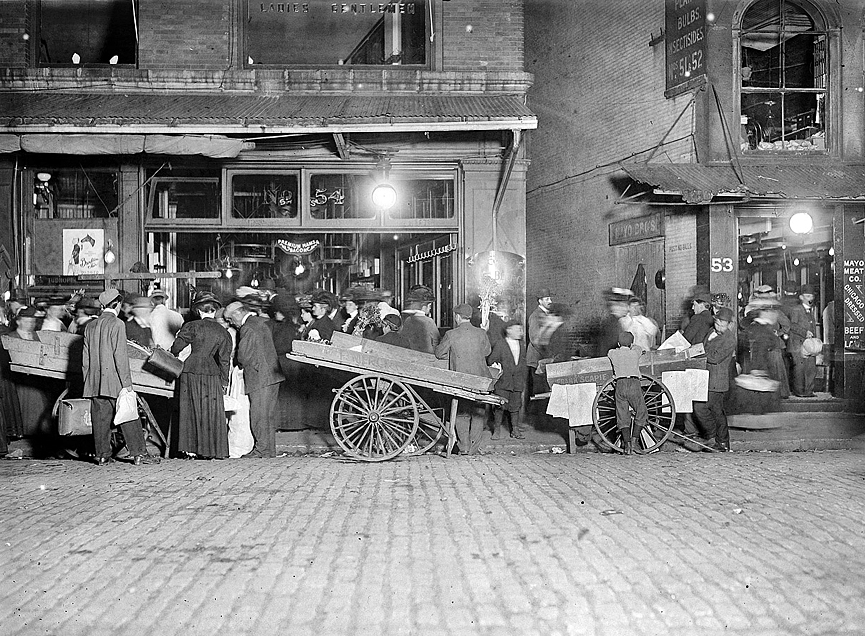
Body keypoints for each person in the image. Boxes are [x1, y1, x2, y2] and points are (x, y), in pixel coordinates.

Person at [82, 289, 154, 466]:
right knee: (128, 414)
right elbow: (120, 356)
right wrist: (127, 384)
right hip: (114, 380)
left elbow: (85, 358)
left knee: (100, 419)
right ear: (118, 304)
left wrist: (88, 381)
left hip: (94, 381)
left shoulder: (90, 326)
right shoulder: (117, 324)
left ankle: (102, 455)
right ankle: (139, 454)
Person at [170, 291, 232, 459]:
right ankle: (210, 450)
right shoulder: (223, 331)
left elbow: (175, 348)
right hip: (212, 373)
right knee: (210, 412)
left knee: (190, 410)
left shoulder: (192, 326)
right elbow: (225, 360)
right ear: (215, 310)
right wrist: (224, 382)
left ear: (198, 310)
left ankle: (191, 450)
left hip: (191, 370)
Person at [224, 300, 283, 458]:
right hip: (271, 375)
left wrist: (237, 361)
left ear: (238, 313)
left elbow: (243, 355)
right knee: (267, 415)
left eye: (230, 319)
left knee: (258, 415)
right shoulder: (260, 321)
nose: (231, 323)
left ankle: (261, 450)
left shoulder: (247, 327)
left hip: (260, 376)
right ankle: (269, 450)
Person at [435, 303, 492, 455]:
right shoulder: (481, 333)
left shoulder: (451, 334)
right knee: (478, 413)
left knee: (462, 412)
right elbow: (487, 352)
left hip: (460, 380)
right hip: (481, 381)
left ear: (457, 317)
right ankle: (473, 448)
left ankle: (464, 447)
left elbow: (439, 353)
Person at [693, 307, 736, 452]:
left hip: (717, 380)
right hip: (706, 376)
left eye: (722, 325)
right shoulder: (711, 331)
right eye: (717, 323)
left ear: (729, 324)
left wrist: (697, 353)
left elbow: (715, 358)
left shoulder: (729, 339)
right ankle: (720, 442)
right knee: (715, 411)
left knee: (705, 408)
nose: (718, 327)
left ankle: (717, 440)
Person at [607, 331, 647, 455]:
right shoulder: (635, 352)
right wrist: (632, 346)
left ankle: (627, 446)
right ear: (631, 343)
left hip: (620, 384)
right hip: (633, 384)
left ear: (618, 343)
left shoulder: (613, 353)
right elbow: (639, 348)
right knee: (641, 411)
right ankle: (635, 442)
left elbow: (611, 351)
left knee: (622, 415)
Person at [487, 319, 527, 440]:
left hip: (517, 382)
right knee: (500, 406)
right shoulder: (500, 344)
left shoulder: (522, 345)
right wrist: (497, 367)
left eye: (520, 329)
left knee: (515, 406)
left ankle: (515, 429)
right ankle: (497, 430)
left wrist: (522, 379)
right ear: (509, 331)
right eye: (517, 329)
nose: (520, 332)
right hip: (503, 382)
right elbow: (491, 360)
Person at [787, 284, 818, 397]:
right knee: (799, 370)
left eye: (811, 296)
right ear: (801, 297)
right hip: (797, 344)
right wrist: (805, 332)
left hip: (808, 345)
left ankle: (809, 391)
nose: (810, 298)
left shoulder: (810, 310)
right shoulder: (796, 309)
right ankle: (799, 392)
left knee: (810, 368)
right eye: (808, 296)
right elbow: (792, 325)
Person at [526, 288, 553, 394]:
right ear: (540, 301)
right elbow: (535, 339)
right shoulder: (535, 316)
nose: (550, 301)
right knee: (539, 393)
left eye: (550, 298)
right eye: (547, 299)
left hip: (544, 360)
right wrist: (548, 354)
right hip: (536, 361)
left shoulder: (546, 315)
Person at [401, 285, 440, 354]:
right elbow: (436, 341)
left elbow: (403, 339)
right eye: (429, 306)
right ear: (424, 306)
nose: (430, 308)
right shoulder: (429, 322)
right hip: (427, 356)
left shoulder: (408, 320)